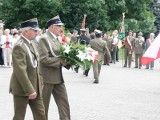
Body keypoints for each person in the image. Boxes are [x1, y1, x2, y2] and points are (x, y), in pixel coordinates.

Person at [9, 18, 46, 120]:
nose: (37, 32)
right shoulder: (19, 46)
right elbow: (20, 70)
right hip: (23, 88)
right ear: (26, 31)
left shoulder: (32, 43)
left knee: (41, 114)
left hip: (35, 86)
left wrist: (41, 81)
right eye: (34, 30)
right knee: (19, 116)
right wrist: (30, 90)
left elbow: (36, 65)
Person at [38, 15, 71, 120]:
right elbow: (43, 59)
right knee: (43, 107)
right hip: (46, 78)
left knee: (64, 104)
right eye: (58, 26)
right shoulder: (44, 39)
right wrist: (60, 61)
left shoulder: (56, 39)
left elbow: (60, 55)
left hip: (58, 78)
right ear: (51, 27)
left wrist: (71, 60)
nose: (60, 28)